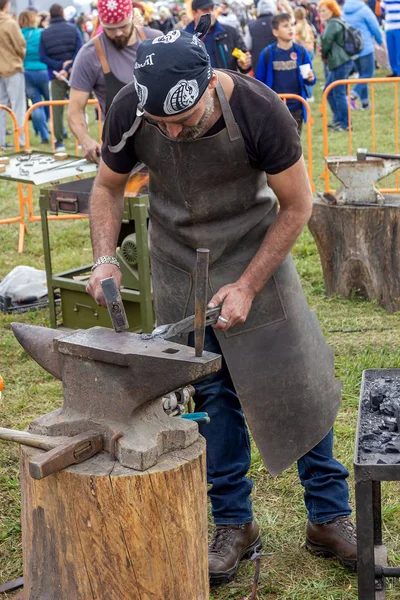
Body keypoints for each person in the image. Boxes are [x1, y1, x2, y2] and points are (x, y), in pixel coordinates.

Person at [86, 29, 356, 586]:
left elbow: (298, 204)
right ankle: (234, 525)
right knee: (210, 395)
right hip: (178, 263)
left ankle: (329, 516)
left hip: (258, 253)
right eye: (161, 125)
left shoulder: (260, 109)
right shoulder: (130, 108)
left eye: (182, 123)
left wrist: (250, 284)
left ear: (209, 86)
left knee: (295, 381)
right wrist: (105, 258)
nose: (171, 134)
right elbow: (109, 187)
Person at [68, 0, 159, 163]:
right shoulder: (89, 55)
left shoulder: (157, 41)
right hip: (119, 150)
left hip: (162, 143)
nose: (117, 33)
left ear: (131, 16)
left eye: (122, 26)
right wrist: (85, 140)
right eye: (110, 29)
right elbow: (75, 110)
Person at [255, 13, 316, 134]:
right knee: (277, 143)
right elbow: (259, 81)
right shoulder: (268, 53)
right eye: (285, 25)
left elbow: (310, 78)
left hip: (297, 106)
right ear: (276, 32)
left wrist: (310, 77)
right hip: (275, 107)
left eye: (292, 24)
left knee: (295, 143)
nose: (290, 28)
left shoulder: (301, 51)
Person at [39, 3, 82, 151]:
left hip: (55, 75)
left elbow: (42, 56)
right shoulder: (73, 29)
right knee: (79, 107)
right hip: (74, 74)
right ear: (63, 14)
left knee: (57, 110)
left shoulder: (44, 33)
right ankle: (82, 140)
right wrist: (68, 67)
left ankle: (59, 142)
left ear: (51, 15)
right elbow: (80, 52)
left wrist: (59, 66)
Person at [185, 0, 251, 70]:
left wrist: (244, 65)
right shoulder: (184, 39)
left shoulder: (230, 32)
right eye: (205, 10)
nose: (211, 13)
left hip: (225, 80)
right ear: (194, 13)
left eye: (212, 9)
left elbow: (243, 59)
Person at [319, 0, 354, 131]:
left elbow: (326, 42)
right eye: (320, 10)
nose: (321, 13)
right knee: (329, 90)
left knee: (337, 92)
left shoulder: (333, 23)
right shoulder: (336, 21)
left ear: (332, 10)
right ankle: (338, 119)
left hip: (340, 61)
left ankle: (345, 123)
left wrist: (323, 53)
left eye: (324, 10)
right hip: (340, 61)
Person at [342, 0, 382, 109]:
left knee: (361, 76)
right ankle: (352, 95)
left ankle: (365, 103)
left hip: (352, 48)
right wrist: (380, 41)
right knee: (368, 74)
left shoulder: (344, 11)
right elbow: (374, 26)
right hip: (365, 47)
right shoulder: (364, 9)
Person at [19, 10, 50, 144]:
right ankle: (55, 129)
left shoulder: (18, 34)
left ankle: (43, 134)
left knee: (36, 104)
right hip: (43, 70)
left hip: (26, 72)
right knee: (50, 102)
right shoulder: (42, 33)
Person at [0, 0, 26, 149]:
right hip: (12, 68)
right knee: (18, 106)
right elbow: (20, 44)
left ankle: (0, 142)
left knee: (1, 107)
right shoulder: (10, 23)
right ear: (6, 5)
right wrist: (19, 58)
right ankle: (21, 141)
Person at [244, 0, 277, 72]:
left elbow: (247, 45)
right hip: (277, 62)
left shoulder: (251, 25)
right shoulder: (278, 23)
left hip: (258, 63)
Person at [381, 0, 400, 76]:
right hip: (389, 27)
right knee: (391, 51)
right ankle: (395, 71)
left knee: (399, 51)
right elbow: (380, 12)